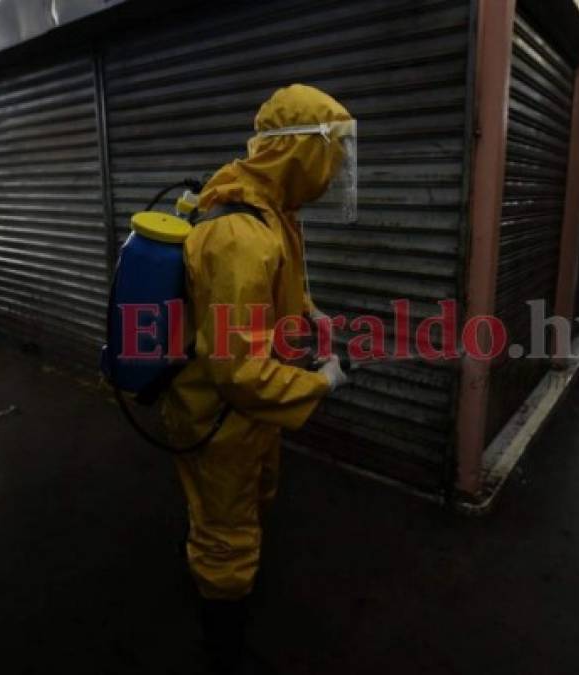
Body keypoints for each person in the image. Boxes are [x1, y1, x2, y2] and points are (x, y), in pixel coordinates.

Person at [162, 84, 355, 673]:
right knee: (226, 532)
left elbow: (273, 291)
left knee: (249, 504)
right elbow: (238, 369)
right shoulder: (240, 234)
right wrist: (321, 383)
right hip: (218, 417)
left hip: (249, 415)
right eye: (333, 152)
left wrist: (309, 314)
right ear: (299, 152)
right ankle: (222, 645)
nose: (340, 166)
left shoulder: (272, 212)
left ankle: (230, 594)